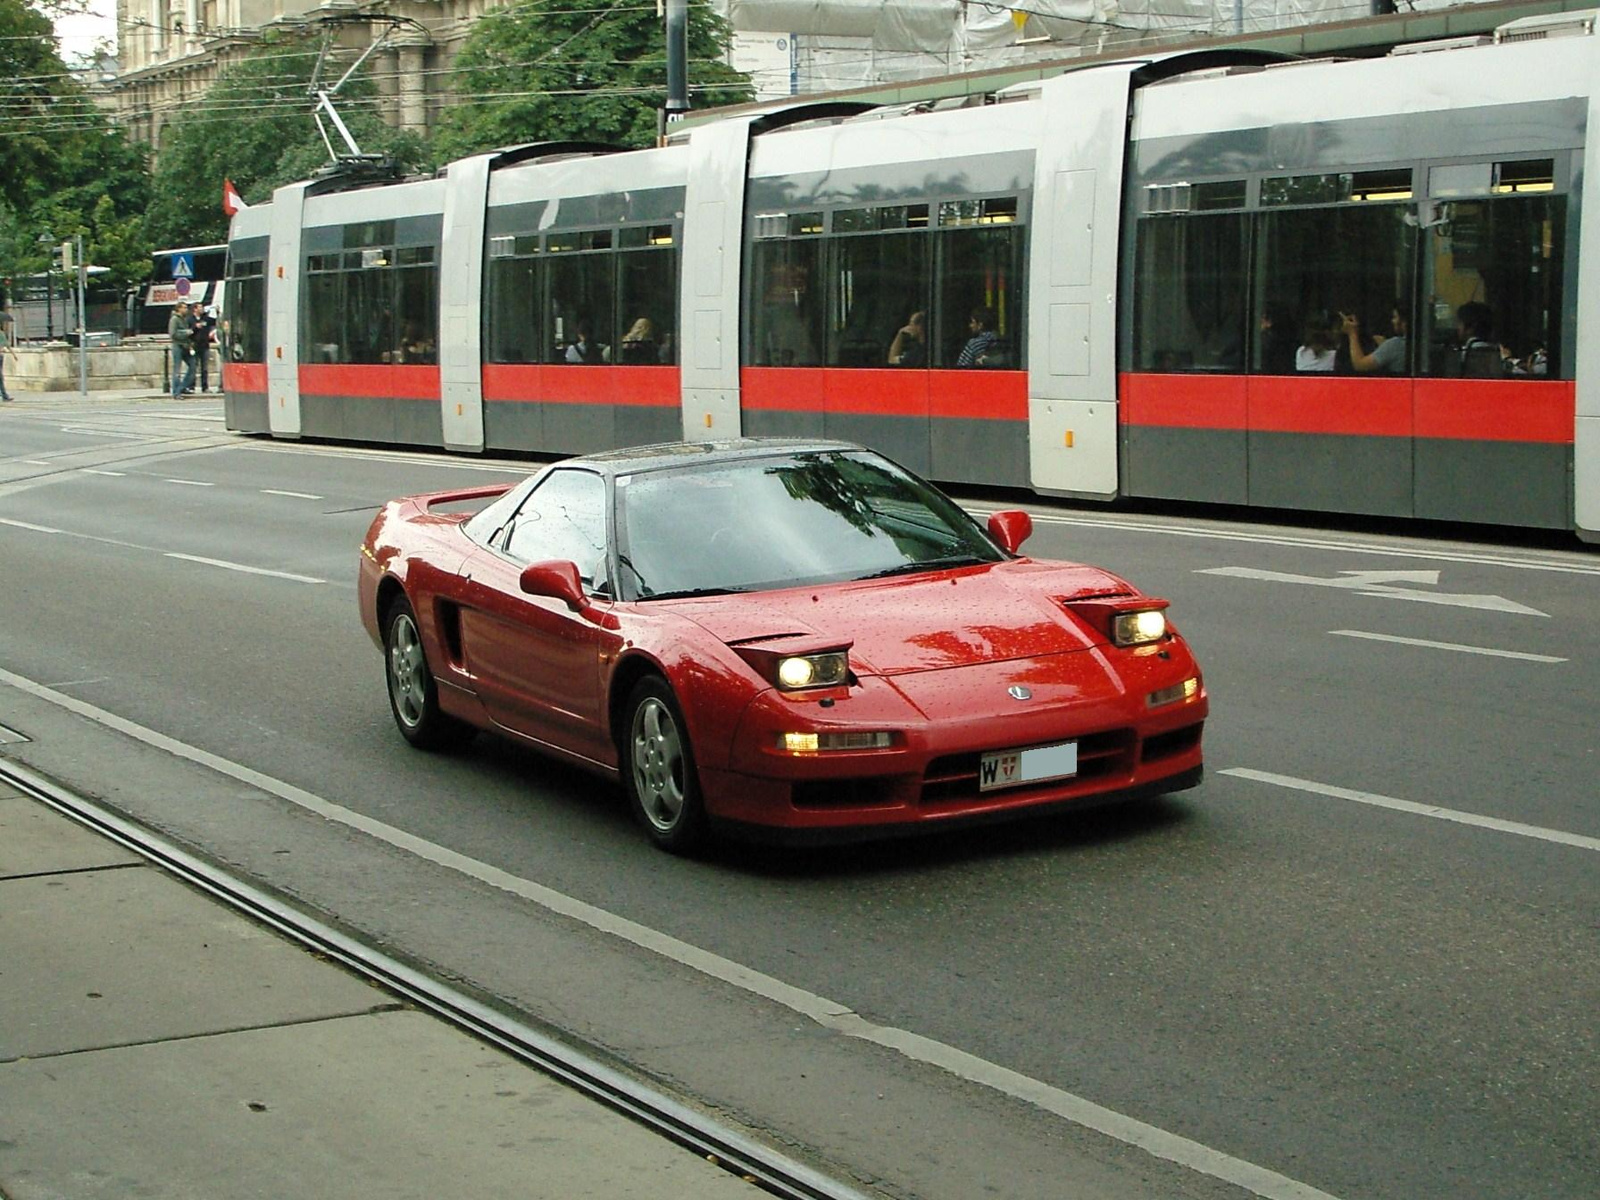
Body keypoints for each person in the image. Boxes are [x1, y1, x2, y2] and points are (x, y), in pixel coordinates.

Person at [1343, 302, 1407, 374]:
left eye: (1395, 317)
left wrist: (1352, 333)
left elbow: (1360, 366)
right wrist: (1384, 346)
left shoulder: (1395, 345)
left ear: (1404, 321)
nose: (1392, 321)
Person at [1257, 304, 1298, 374]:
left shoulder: (1265, 341)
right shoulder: (1293, 342)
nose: (1260, 321)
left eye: (1263, 318)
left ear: (1269, 322)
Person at [168, 300, 195, 397]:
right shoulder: (174, 319)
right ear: (179, 309)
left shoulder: (184, 319)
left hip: (186, 346)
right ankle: (176, 392)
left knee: (193, 366)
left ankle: (182, 387)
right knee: (177, 370)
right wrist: (186, 332)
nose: (186, 309)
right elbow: (173, 334)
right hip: (178, 346)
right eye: (184, 307)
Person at [191, 305, 216, 392]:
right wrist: (195, 327)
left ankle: (205, 387)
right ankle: (191, 386)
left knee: (204, 368)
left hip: (205, 345)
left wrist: (217, 312)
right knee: (193, 366)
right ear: (195, 309)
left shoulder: (205, 319)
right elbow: (188, 330)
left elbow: (215, 322)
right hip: (194, 345)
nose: (201, 309)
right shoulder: (190, 319)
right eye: (200, 307)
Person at [0, 296, 14, 401]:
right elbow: (7, 345)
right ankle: (4, 395)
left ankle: (4, 395)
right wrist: (14, 355)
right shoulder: (1, 334)